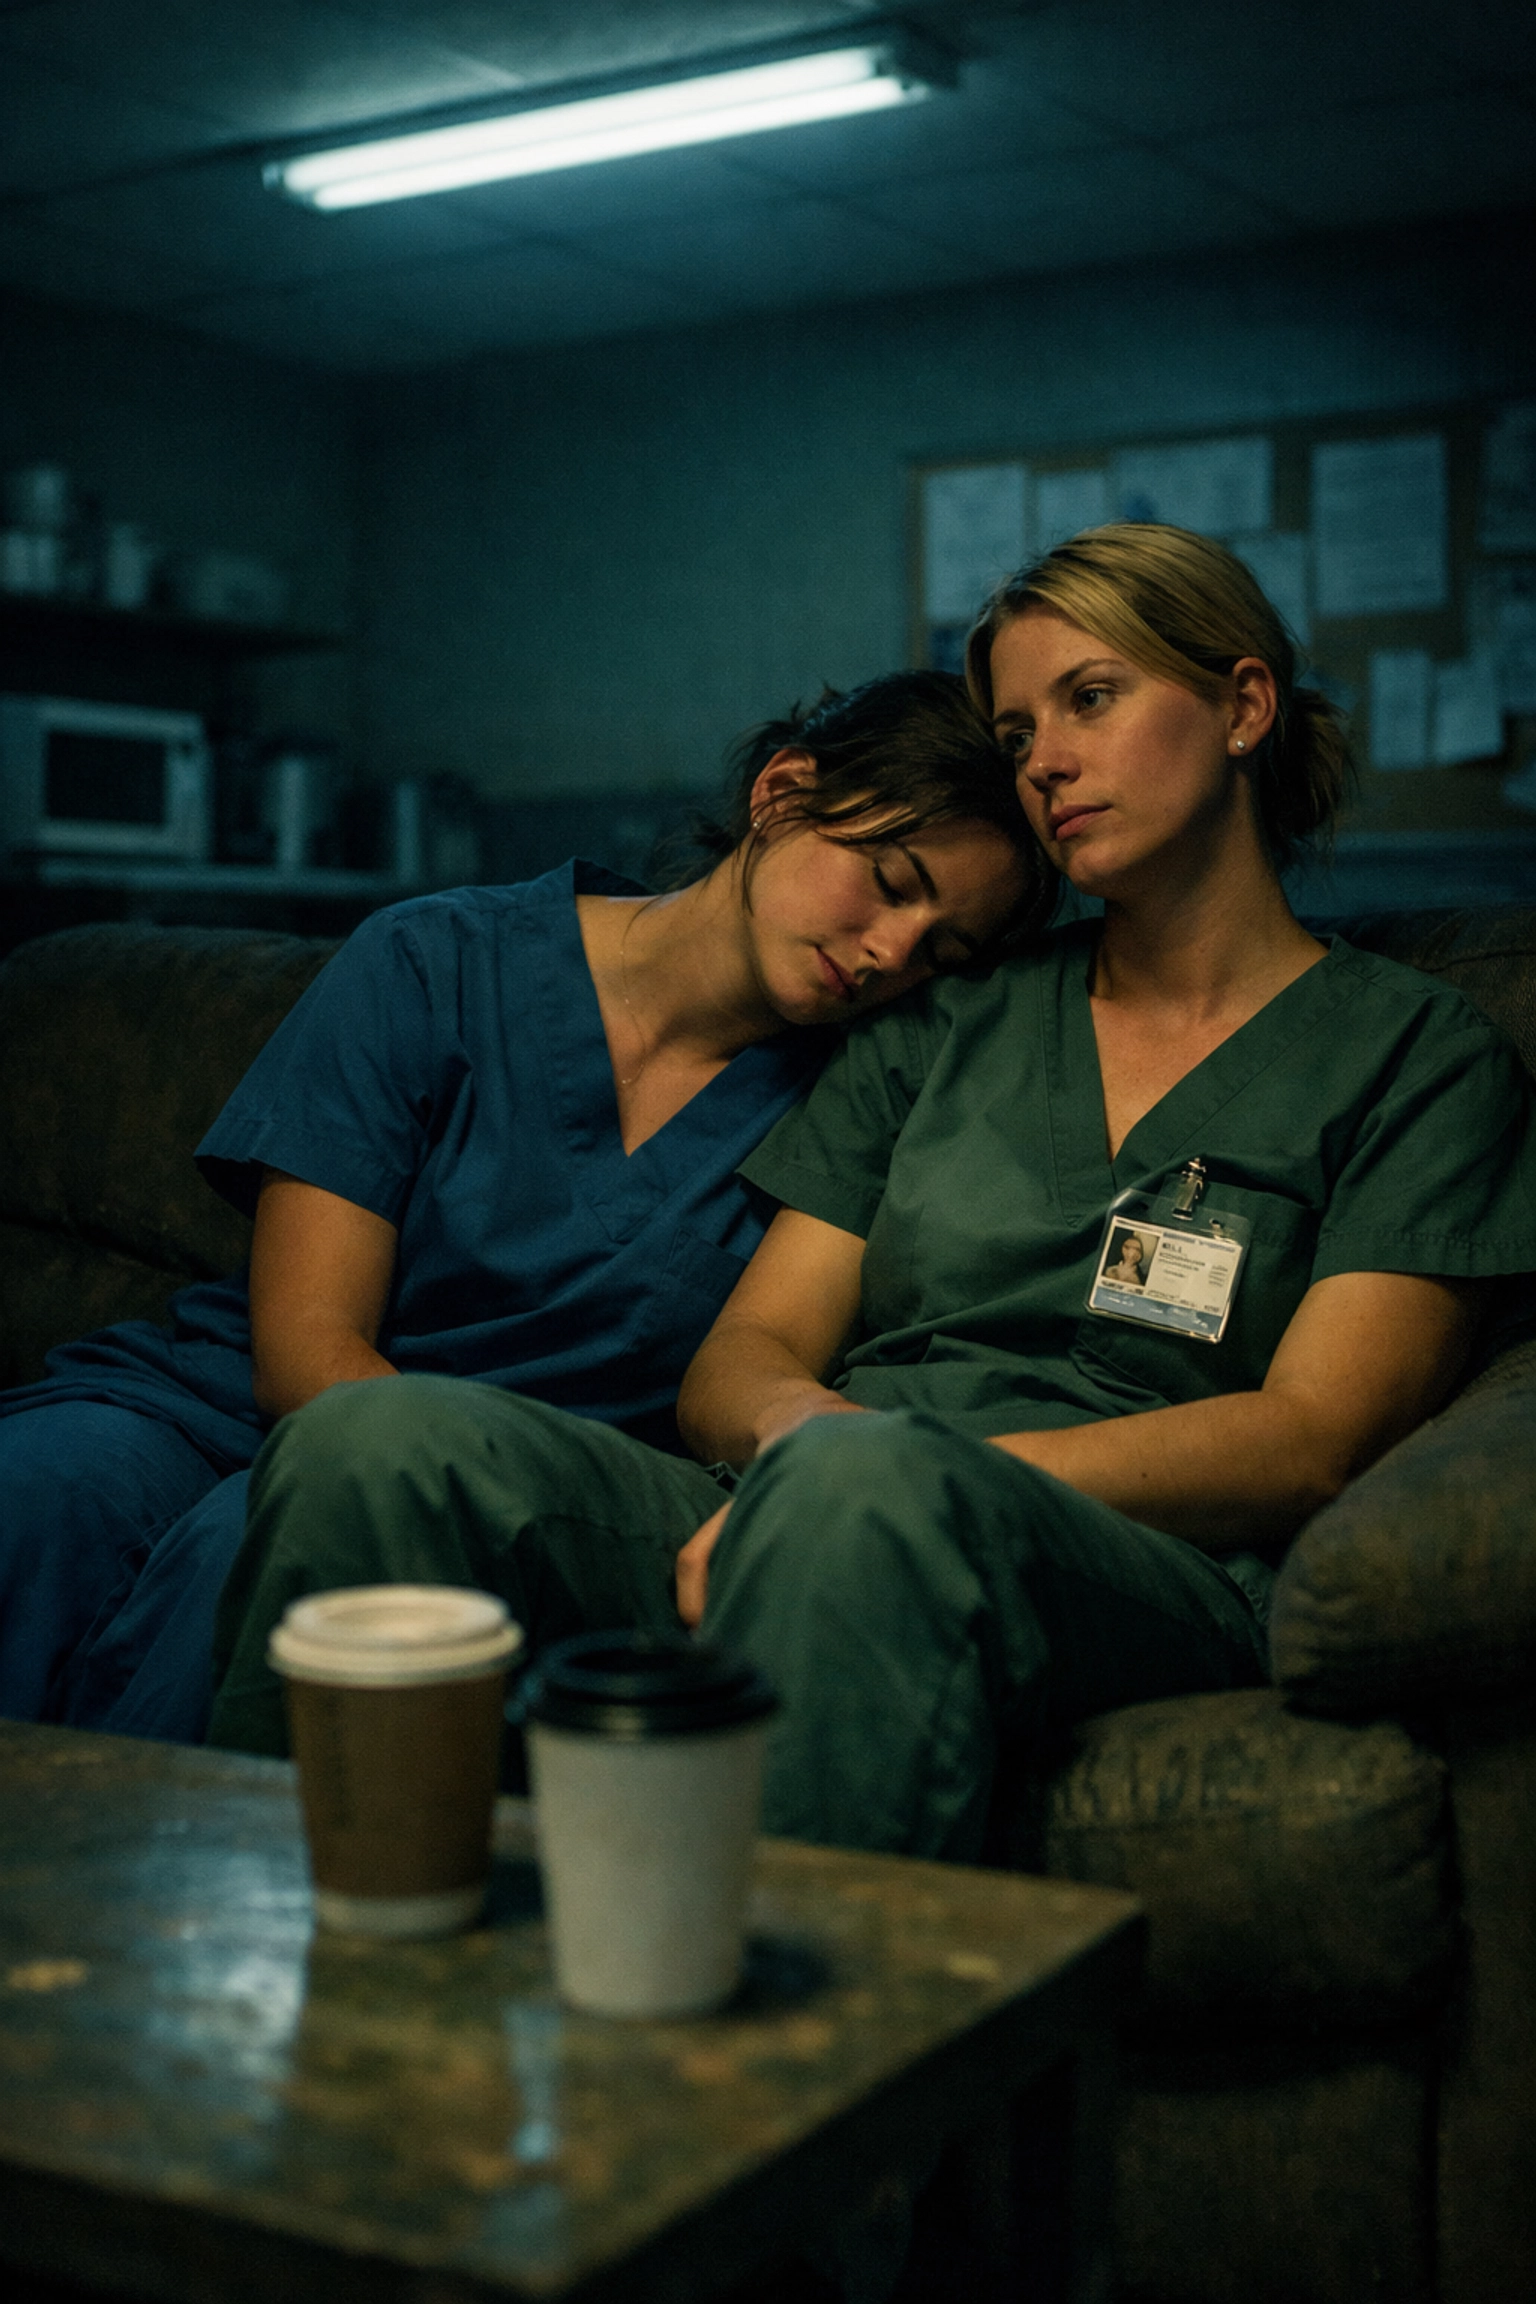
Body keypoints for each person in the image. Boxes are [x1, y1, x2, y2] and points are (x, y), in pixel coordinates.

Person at [210, 526, 1536, 1868]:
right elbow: (745, 1358)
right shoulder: (945, 1017)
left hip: (1133, 1560)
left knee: (871, 1493)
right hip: (825, 1489)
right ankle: (312, 1994)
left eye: (1090, 699)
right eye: (1016, 736)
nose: (1046, 765)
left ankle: (767, 2071)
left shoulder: (1418, 1056)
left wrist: (894, 1474)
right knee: (381, 1447)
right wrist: (807, 1444)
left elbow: (1313, 1438)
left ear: (1243, 706)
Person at [0, 670, 1037, 1744]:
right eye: (889, 879)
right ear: (781, 795)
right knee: (36, 1493)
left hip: (452, 1498)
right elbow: (304, 1349)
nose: (890, 954)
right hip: (219, 1411)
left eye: (943, 948)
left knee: (242, 1573)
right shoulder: (433, 960)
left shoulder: (849, 1110)